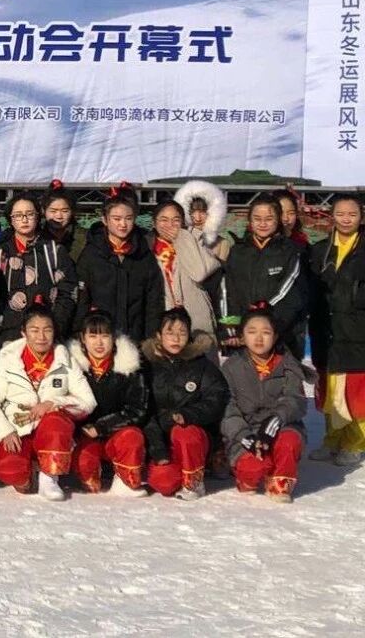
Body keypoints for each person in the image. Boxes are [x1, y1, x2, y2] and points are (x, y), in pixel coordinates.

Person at [0, 300, 95, 500]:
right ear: (23, 332)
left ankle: (49, 477)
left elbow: (88, 401)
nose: (41, 337)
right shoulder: (9, 360)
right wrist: (5, 430)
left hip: (51, 431)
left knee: (55, 421)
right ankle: (27, 477)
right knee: (10, 469)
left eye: (47, 330)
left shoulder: (65, 360)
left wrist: (53, 403)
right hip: (18, 428)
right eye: (34, 330)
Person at [220, 305, 306, 502]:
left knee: (289, 441)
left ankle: (280, 482)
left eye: (266, 332)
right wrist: (244, 436)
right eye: (252, 332)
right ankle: (246, 475)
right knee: (253, 468)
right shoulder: (231, 367)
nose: (259, 338)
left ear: (275, 337)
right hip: (245, 431)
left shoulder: (288, 364)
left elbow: (296, 400)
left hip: (279, 427)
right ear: (242, 337)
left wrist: (276, 419)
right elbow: (227, 409)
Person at [141, 308, 228, 500]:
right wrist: (158, 450)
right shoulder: (147, 366)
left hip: (194, 436)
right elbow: (144, 411)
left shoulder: (202, 365)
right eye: (170, 332)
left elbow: (217, 398)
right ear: (159, 336)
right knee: (164, 483)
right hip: (160, 439)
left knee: (185, 432)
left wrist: (189, 414)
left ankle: (194, 482)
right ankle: (173, 468)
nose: (176, 338)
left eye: (182, 332)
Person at [308, 193, 365, 466]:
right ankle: (332, 440)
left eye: (352, 214)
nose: (346, 219)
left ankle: (355, 444)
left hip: (357, 331)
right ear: (331, 217)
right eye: (340, 214)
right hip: (326, 330)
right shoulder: (320, 250)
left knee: (356, 393)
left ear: (361, 217)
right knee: (330, 390)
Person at [68, 309, 148, 496]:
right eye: (93, 336)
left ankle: (124, 481)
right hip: (84, 437)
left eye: (105, 336)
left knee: (132, 437)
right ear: (83, 338)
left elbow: (137, 410)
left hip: (116, 434)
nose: (99, 343)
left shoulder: (128, 366)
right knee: (87, 471)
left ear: (114, 338)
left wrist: (102, 427)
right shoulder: (71, 367)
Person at [219, 194, 306, 356]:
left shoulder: (290, 251)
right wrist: (232, 329)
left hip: (280, 336)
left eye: (269, 219)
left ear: (278, 220)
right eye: (257, 219)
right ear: (250, 221)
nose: (263, 224)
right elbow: (227, 291)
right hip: (244, 337)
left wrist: (270, 324)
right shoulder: (238, 252)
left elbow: (291, 293)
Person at [75, 188, 163, 341]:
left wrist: (150, 339)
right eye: (116, 219)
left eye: (128, 218)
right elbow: (82, 301)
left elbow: (153, 302)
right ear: (105, 220)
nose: (123, 224)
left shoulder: (144, 254)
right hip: (100, 339)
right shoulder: (91, 254)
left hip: (135, 338)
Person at [0, 193, 77, 345]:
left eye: (29, 214)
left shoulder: (54, 250)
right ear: (10, 219)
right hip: (9, 333)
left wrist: (56, 326)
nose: (24, 220)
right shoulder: (0, 253)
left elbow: (68, 291)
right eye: (18, 215)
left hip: (47, 333)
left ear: (38, 216)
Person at [148, 200, 221, 342]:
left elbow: (199, 273)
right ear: (154, 223)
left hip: (195, 319)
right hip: (163, 322)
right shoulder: (146, 249)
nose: (170, 225)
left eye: (176, 220)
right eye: (164, 220)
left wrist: (182, 238)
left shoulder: (196, 241)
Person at [174, 180, 232, 263]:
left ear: (214, 212)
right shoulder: (177, 241)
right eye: (192, 212)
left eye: (203, 212)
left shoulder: (223, 244)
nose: (198, 218)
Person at [41, 180, 86, 263]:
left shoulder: (84, 237)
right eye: (53, 211)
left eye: (64, 211)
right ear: (44, 211)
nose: (59, 216)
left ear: (72, 211)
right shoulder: (37, 236)